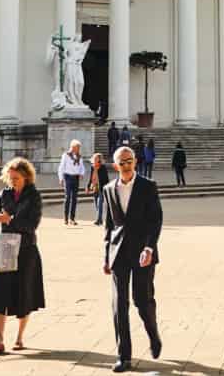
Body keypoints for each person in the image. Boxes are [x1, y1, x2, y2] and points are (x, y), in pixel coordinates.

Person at [101, 146, 163, 372]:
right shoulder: (108, 189)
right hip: (118, 253)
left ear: (135, 162)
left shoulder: (148, 186)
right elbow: (109, 225)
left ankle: (153, 333)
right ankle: (123, 355)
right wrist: (106, 255)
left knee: (141, 300)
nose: (126, 166)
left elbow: (155, 220)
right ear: (115, 165)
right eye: (121, 162)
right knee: (119, 304)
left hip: (142, 253)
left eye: (129, 161)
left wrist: (149, 248)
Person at [0, 157, 45, 354]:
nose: (13, 182)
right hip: (5, 248)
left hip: (26, 250)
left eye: (16, 178)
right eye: (10, 178)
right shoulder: (5, 194)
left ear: (26, 177)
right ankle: (0, 340)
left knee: (24, 295)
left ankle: (19, 338)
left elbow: (32, 225)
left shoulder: (34, 196)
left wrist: (10, 219)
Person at [58, 140, 88, 225]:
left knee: (74, 199)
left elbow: (82, 167)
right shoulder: (66, 155)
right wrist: (61, 178)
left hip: (76, 178)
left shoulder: (79, 156)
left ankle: (72, 218)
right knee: (68, 198)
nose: (79, 149)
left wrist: (82, 173)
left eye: (79, 147)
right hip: (68, 177)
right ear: (73, 147)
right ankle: (65, 218)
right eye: (78, 147)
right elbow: (61, 167)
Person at [89, 152, 111, 225]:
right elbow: (91, 178)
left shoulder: (103, 167)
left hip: (102, 188)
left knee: (99, 204)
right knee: (96, 204)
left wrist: (107, 188)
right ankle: (100, 219)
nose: (96, 160)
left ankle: (98, 220)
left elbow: (106, 179)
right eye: (95, 159)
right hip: (95, 188)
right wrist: (88, 186)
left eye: (97, 159)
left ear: (100, 160)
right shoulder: (92, 167)